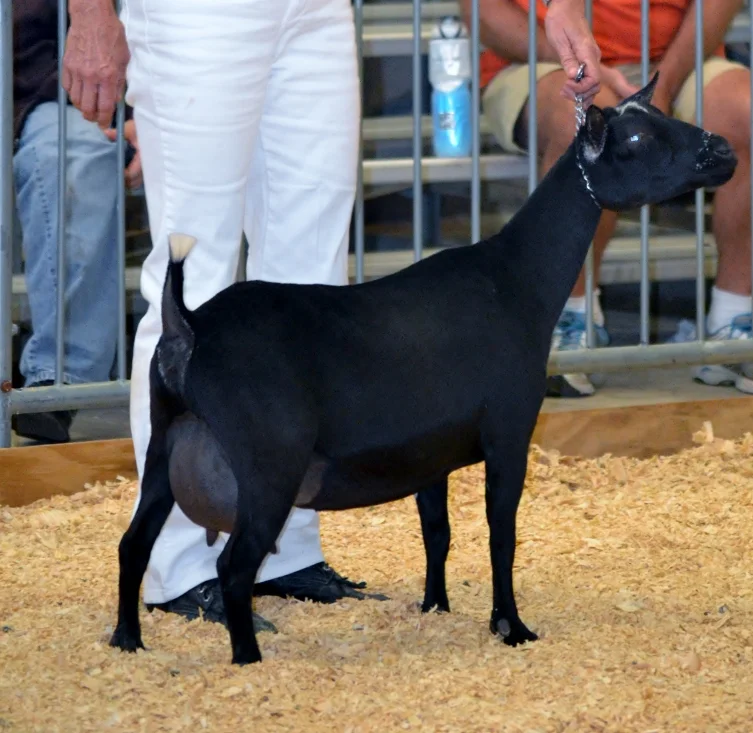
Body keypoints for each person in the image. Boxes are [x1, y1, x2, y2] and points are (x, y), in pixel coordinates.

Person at [61, 0, 603, 628]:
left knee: (314, 281)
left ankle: (282, 546)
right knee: (192, 285)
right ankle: (176, 563)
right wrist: (92, 12)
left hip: (317, 10)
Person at [473, 0, 753, 398]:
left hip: (676, 60)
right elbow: (486, 15)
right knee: (590, 115)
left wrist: (664, 83)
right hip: (542, 60)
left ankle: (733, 326)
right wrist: (578, 60)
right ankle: (569, 323)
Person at [11, 0, 142, 444]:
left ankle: (59, 380)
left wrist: (148, 113)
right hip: (39, 82)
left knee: (74, 154)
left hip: (46, 89)